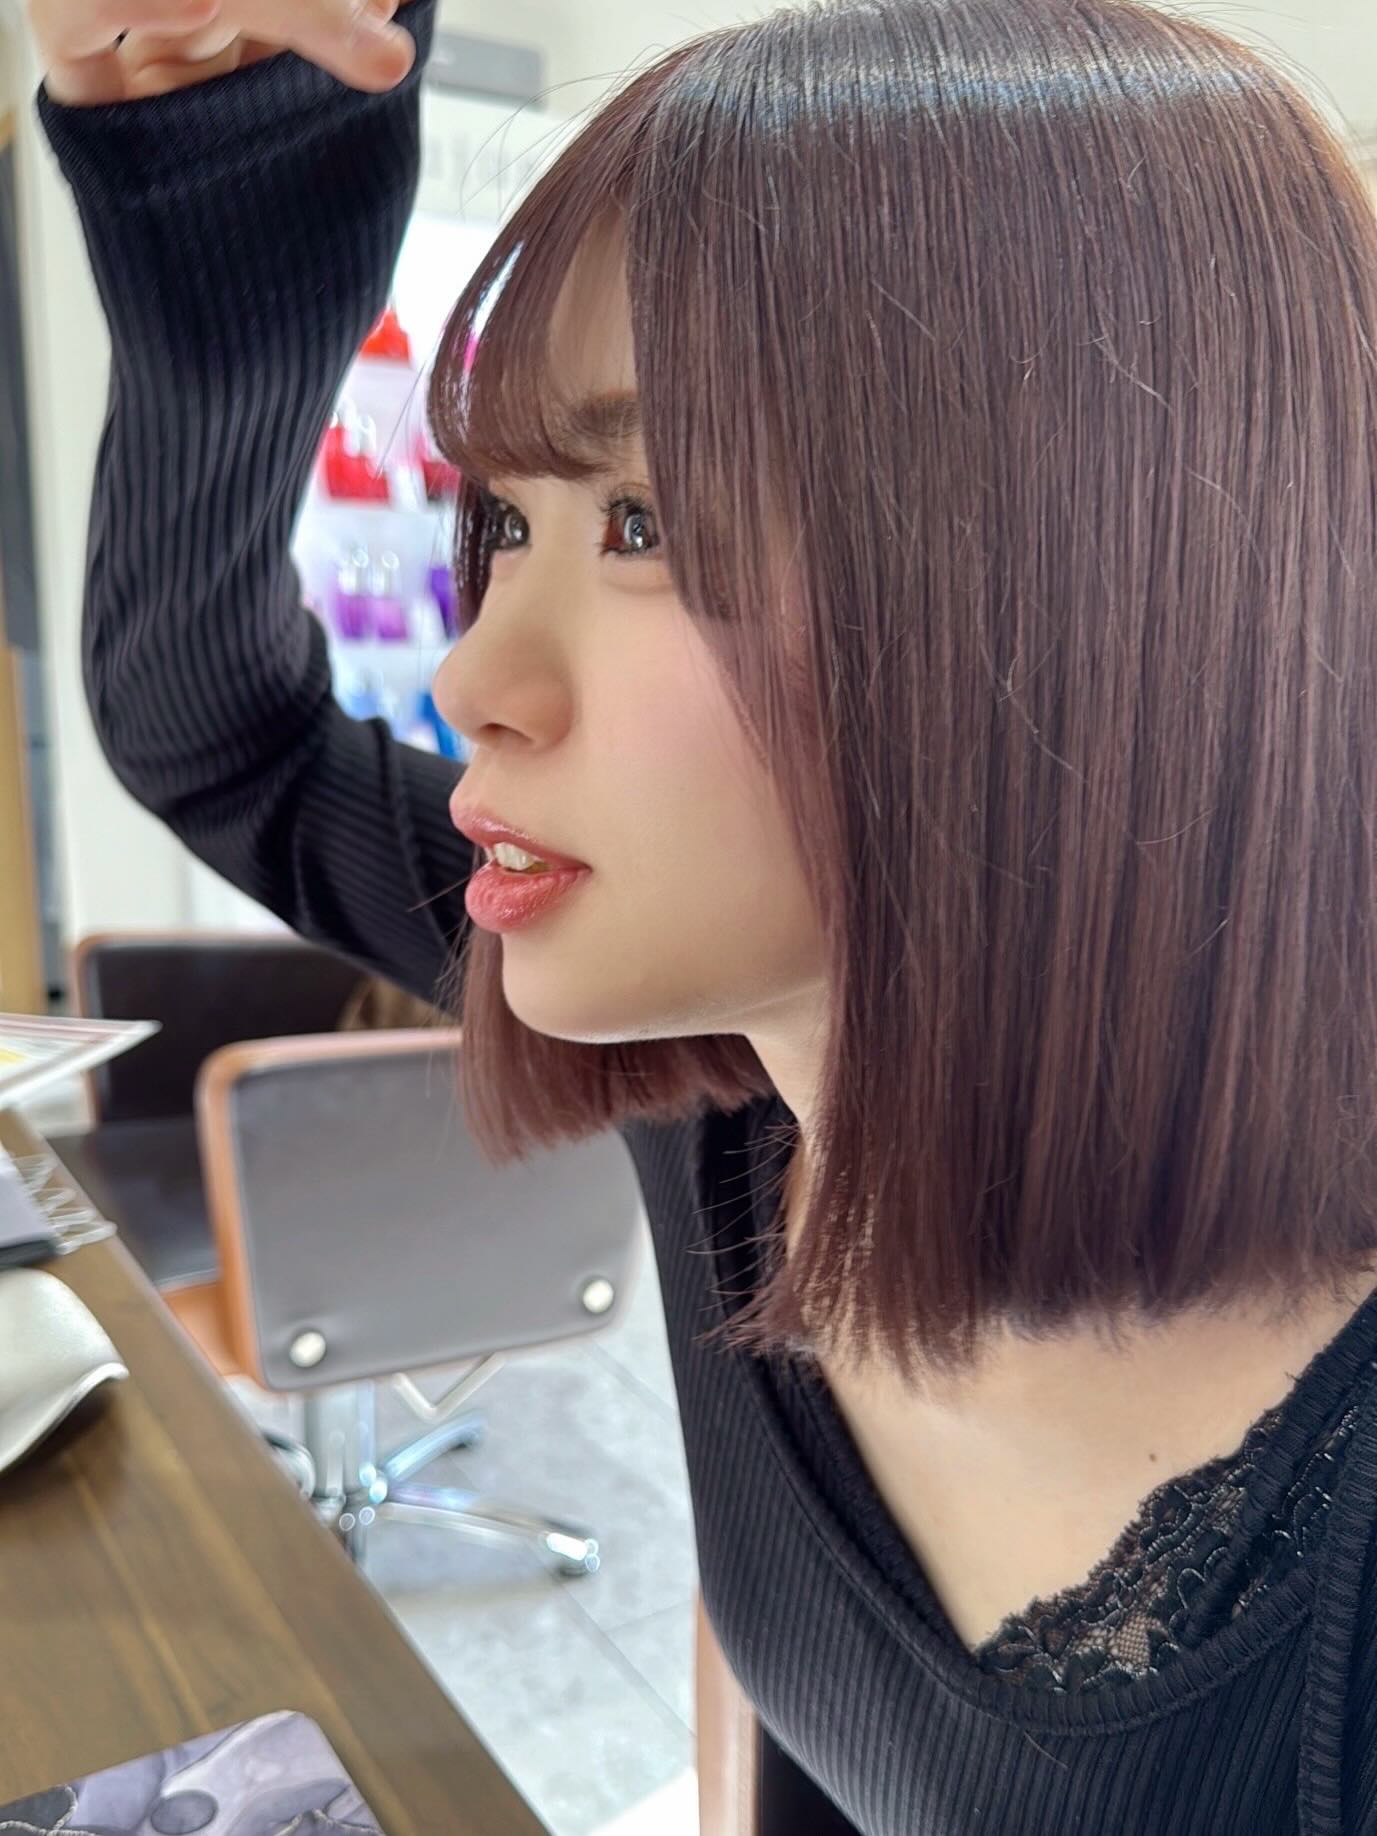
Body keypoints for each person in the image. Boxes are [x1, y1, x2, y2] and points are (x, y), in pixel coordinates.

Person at [28, 0, 1376, 1829]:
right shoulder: (736, 1086)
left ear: (1090, 580)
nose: (474, 677)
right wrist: (234, 155)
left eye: (645, 524)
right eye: (507, 524)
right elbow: (219, 732)